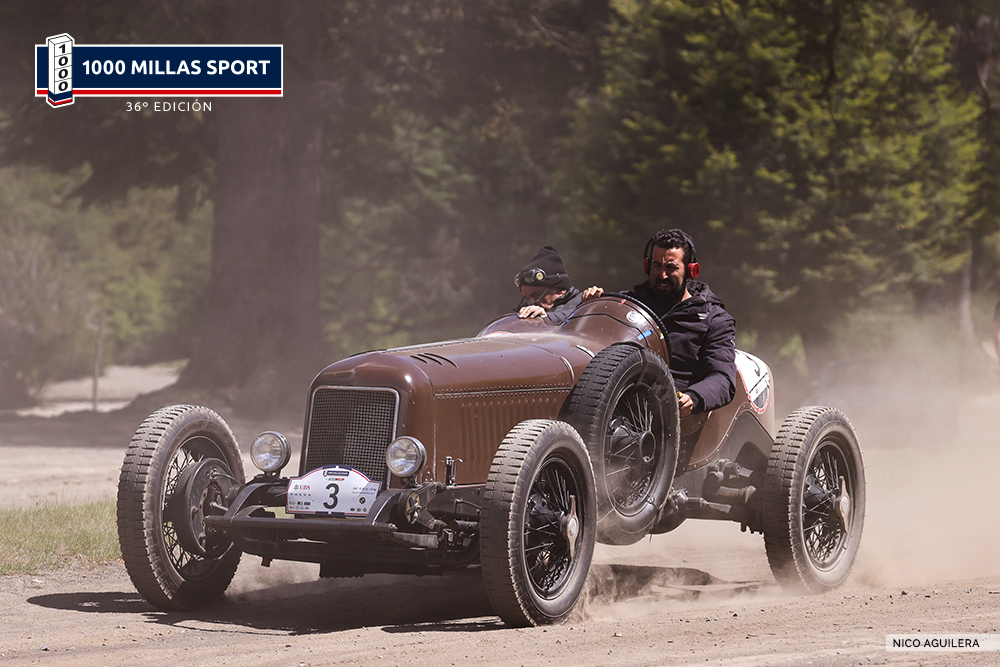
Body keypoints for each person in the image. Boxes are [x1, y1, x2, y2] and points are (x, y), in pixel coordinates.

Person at [584, 229, 736, 417]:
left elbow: (723, 378)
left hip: (671, 416)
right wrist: (590, 305)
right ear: (647, 267)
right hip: (613, 404)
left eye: (671, 268)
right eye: (657, 266)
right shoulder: (625, 304)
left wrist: (693, 397)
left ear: (691, 270)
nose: (663, 275)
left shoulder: (715, 320)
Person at [513, 245, 584, 324]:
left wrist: (545, 317)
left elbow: (575, 315)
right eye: (527, 298)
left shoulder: (583, 303)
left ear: (560, 290)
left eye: (536, 295)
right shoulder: (525, 309)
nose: (531, 304)